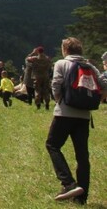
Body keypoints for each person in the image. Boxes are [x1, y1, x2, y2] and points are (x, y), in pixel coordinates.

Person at [46, 37, 107, 204]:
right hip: (84, 115)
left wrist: (60, 101)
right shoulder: (90, 66)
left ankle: (68, 183)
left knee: (52, 145)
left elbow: (56, 85)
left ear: (65, 49)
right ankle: (81, 197)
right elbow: (104, 85)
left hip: (64, 113)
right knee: (82, 155)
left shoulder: (61, 63)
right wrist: (97, 100)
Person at [27, 46, 53, 110]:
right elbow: (50, 64)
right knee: (46, 90)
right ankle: (47, 104)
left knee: (37, 90)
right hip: (46, 76)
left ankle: (38, 105)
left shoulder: (35, 58)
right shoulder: (47, 58)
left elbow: (27, 59)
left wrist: (33, 53)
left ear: (38, 51)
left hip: (37, 76)